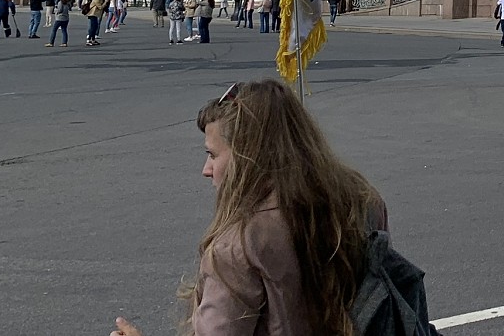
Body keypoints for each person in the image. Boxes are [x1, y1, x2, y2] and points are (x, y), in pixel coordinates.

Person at [107, 78, 390, 336]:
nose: (207, 169)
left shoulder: (239, 245)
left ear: (247, 156)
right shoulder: (362, 200)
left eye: (212, 154)